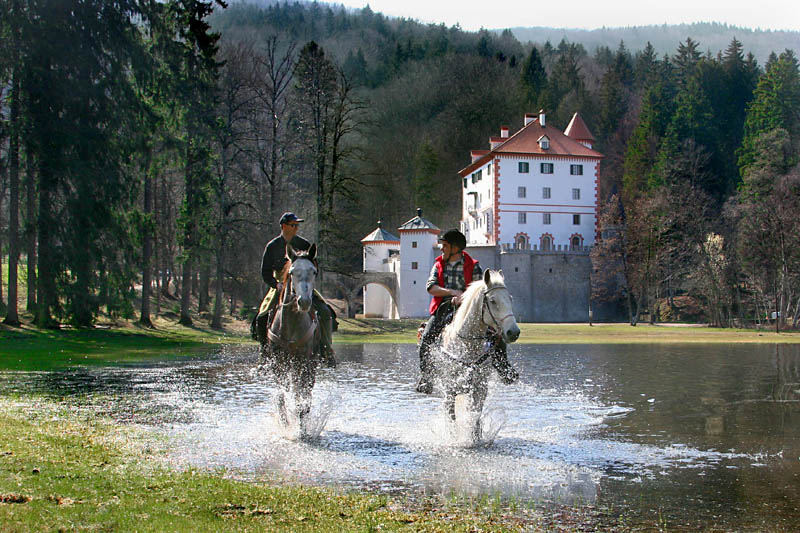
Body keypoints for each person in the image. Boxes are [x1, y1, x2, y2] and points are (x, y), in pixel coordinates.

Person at [416, 228, 518, 394]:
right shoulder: (438, 265)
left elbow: (481, 291)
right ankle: (426, 377)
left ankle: (503, 368)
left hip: (470, 308)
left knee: (496, 335)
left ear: (455, 248)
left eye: (445, 245)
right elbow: (431, 288)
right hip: (444, 307)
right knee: (427, 337)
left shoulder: (474, 266)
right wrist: (451, 293)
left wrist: (463, 298)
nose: (442, 248)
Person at [253, 212, 336, 366]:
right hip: (279, 284)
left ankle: (326, 350)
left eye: (297, 225)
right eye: (293, 225)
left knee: (325, 311)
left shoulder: (304, 244)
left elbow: (313, 265)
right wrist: (275, 284)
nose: (296, 228)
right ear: (284, 226)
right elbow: (265, 272)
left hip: (302, 283)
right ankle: (264, 355)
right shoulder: (272, 246)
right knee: (261, 316)